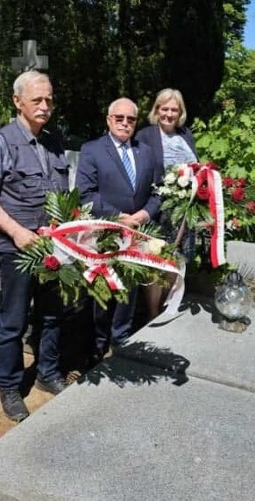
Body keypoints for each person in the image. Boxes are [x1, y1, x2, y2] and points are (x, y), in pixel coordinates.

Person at [0, 70, 70, 422]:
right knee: (12, 320)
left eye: (49, 100)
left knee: (52, 313)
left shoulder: (54, 141)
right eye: (37, 100)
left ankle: (47, 372)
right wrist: (15, 232)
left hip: (53, 247)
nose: (45, 106)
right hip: (18, 249)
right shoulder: (0, 143)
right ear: (17, 102)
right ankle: (10, 386)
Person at [76, 97, 161, 357]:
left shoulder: (146, 151)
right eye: (119, 118)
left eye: (131, 119)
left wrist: (145, 214)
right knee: (102, 294)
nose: (125, 123)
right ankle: (97, 346)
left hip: (137, 233)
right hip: (104, 234)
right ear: (109, 120)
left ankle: (121, 339)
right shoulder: (92, 150)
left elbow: (158, 192)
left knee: (129, 290)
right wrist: (118, 216)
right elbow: (85, 193)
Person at [135, 88, 198, 320]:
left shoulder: (186, 134)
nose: (169, 114)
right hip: (157, 210)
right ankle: (151, 313)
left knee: (175, 259)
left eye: (174, 109)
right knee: (156, 261)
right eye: (165, 108)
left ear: (180, 112)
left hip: (182, 212)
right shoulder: (146, 135)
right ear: (157, 110)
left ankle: (164, 306)